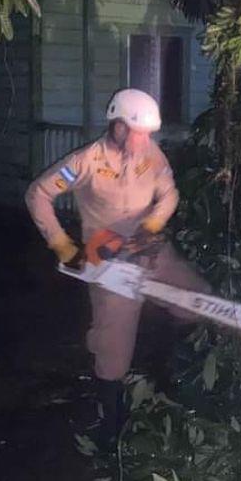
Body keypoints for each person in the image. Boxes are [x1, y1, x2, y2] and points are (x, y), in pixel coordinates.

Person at [25, 88, 209, 445]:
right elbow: (38, 194)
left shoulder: (151, 155)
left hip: (149, 246)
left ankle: (170, 373)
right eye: (139, 132)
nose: (145, 140)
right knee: (113, 350)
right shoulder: (86, 162)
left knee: (198, 300)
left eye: (149, 134)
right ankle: (110, 423)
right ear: (118, 125)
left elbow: (169, 194)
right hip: (107, 256)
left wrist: (152, 226)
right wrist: (62, 246)